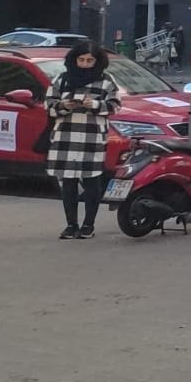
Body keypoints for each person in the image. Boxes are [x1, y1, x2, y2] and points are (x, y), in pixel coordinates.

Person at [44, 41, 121, 239]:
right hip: (65, 136)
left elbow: (115, 106)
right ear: (74, 59)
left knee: (91, 181)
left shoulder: (106, 81)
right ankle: (71, 224)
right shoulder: (62, 79)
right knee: (68, 182)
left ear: (97, 61)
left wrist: (94, 104)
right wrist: (64, 105)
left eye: (90, 60)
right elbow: (49, 105)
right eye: (81, 59)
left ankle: (89, 225)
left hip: (92, 137)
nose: (85, 64)